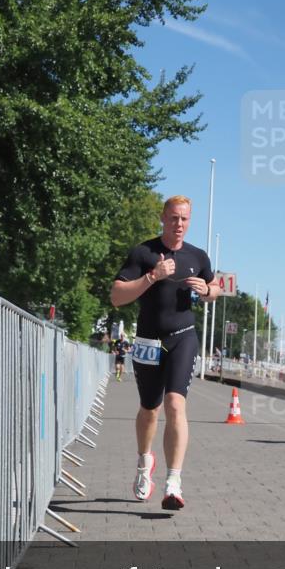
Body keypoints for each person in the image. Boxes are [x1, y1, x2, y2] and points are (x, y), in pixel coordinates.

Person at [109, 195, 219, 510]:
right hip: (147, 340)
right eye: (173, 218)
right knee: (149, 409)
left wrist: (208, 291)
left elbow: (216, 288)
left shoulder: (198, 255)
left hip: (183, 336)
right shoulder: (143, 253)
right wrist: (153, 276)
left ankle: (174, 482)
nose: (179, 224)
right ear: (163, 218)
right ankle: (145, 466)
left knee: (175, 404)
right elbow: (117, 296)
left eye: (184, 219)